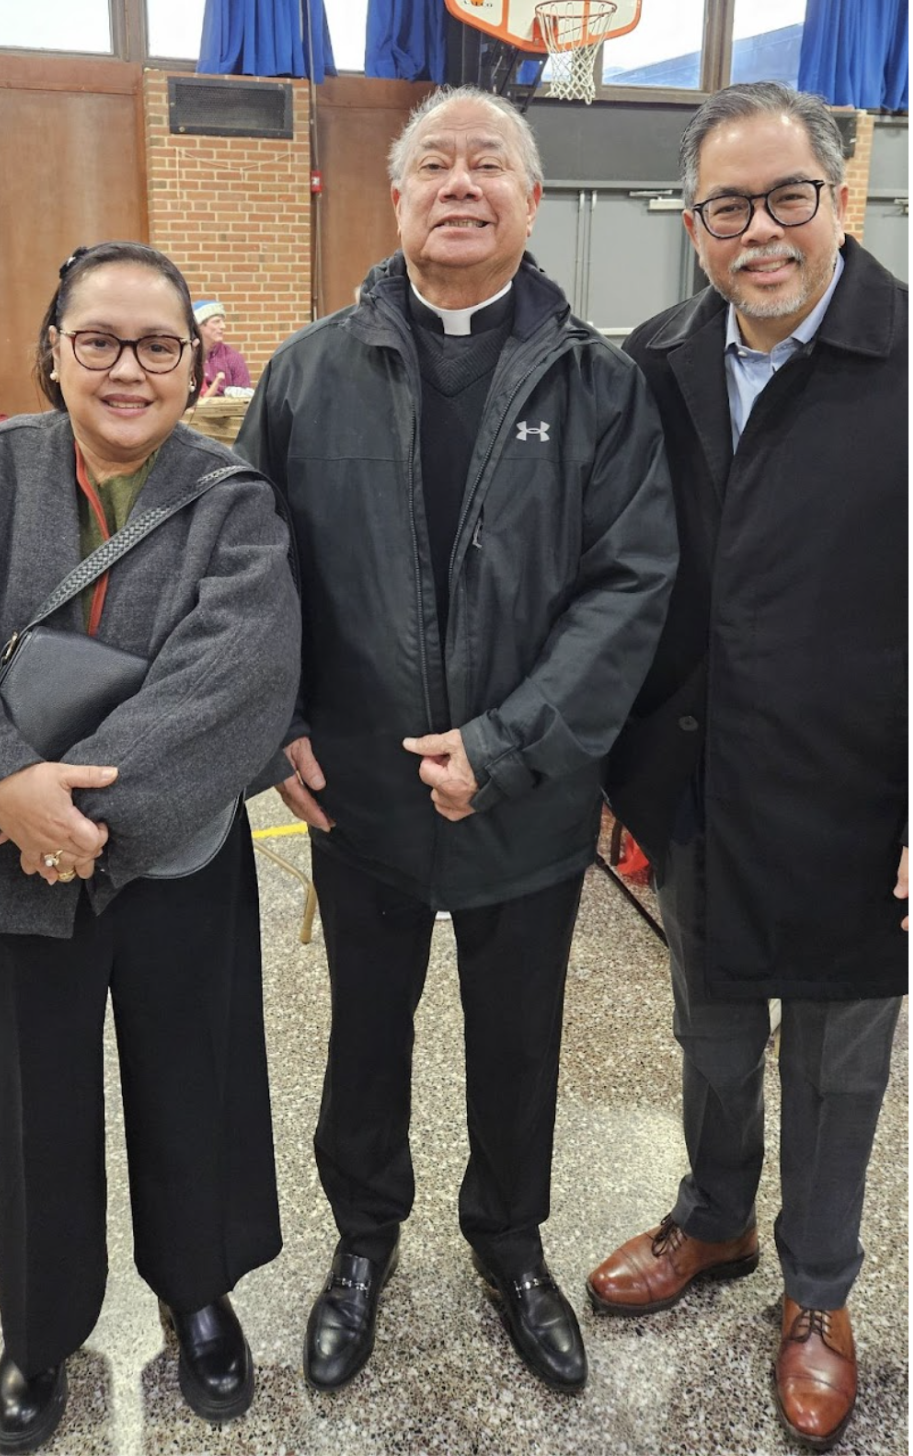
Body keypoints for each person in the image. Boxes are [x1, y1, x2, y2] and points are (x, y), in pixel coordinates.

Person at [234, 85, 676, 1396]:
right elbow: (250, 571)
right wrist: (282, 727)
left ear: (532, 201)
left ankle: (510, 1242)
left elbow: (630, 584)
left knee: (519, 1033)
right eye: (436, 164)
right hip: (358, 793)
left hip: (526, 796)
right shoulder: (310, 371)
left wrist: (510, 741)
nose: (463, 183)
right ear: (399, 197)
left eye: (492, 163)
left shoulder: (599, 383)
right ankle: (363, 1241)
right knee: (365, 1030)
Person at [0, 241, 302, 1452]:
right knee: (28, 1104)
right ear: (53, 352)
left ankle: (199, 1292)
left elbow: (233, 677)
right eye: (100, 342)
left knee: (197, 1079)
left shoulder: (231, 501)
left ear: (192, 361)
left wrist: (73, 823)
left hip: (166, 860)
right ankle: (40, 1325)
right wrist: (2, 786)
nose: (128, 369)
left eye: (157, 346)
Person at [584, 83, 907, 1453]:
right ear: (693, 221)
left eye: (789, 198)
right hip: (699, 776)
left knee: (838, 1065)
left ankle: (820, 1291)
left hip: (860, 795)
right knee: (711, 1029)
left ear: (842, 198)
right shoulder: (652, 359)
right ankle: (715, 1217)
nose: (760, 232)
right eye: (729, 206)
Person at [192, 299, 252, 396]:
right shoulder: (187, 355)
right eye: (216, 322)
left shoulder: (233, 357)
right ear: (199, 326)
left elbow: (245, 400)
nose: (223, 326)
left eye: (222, 321)